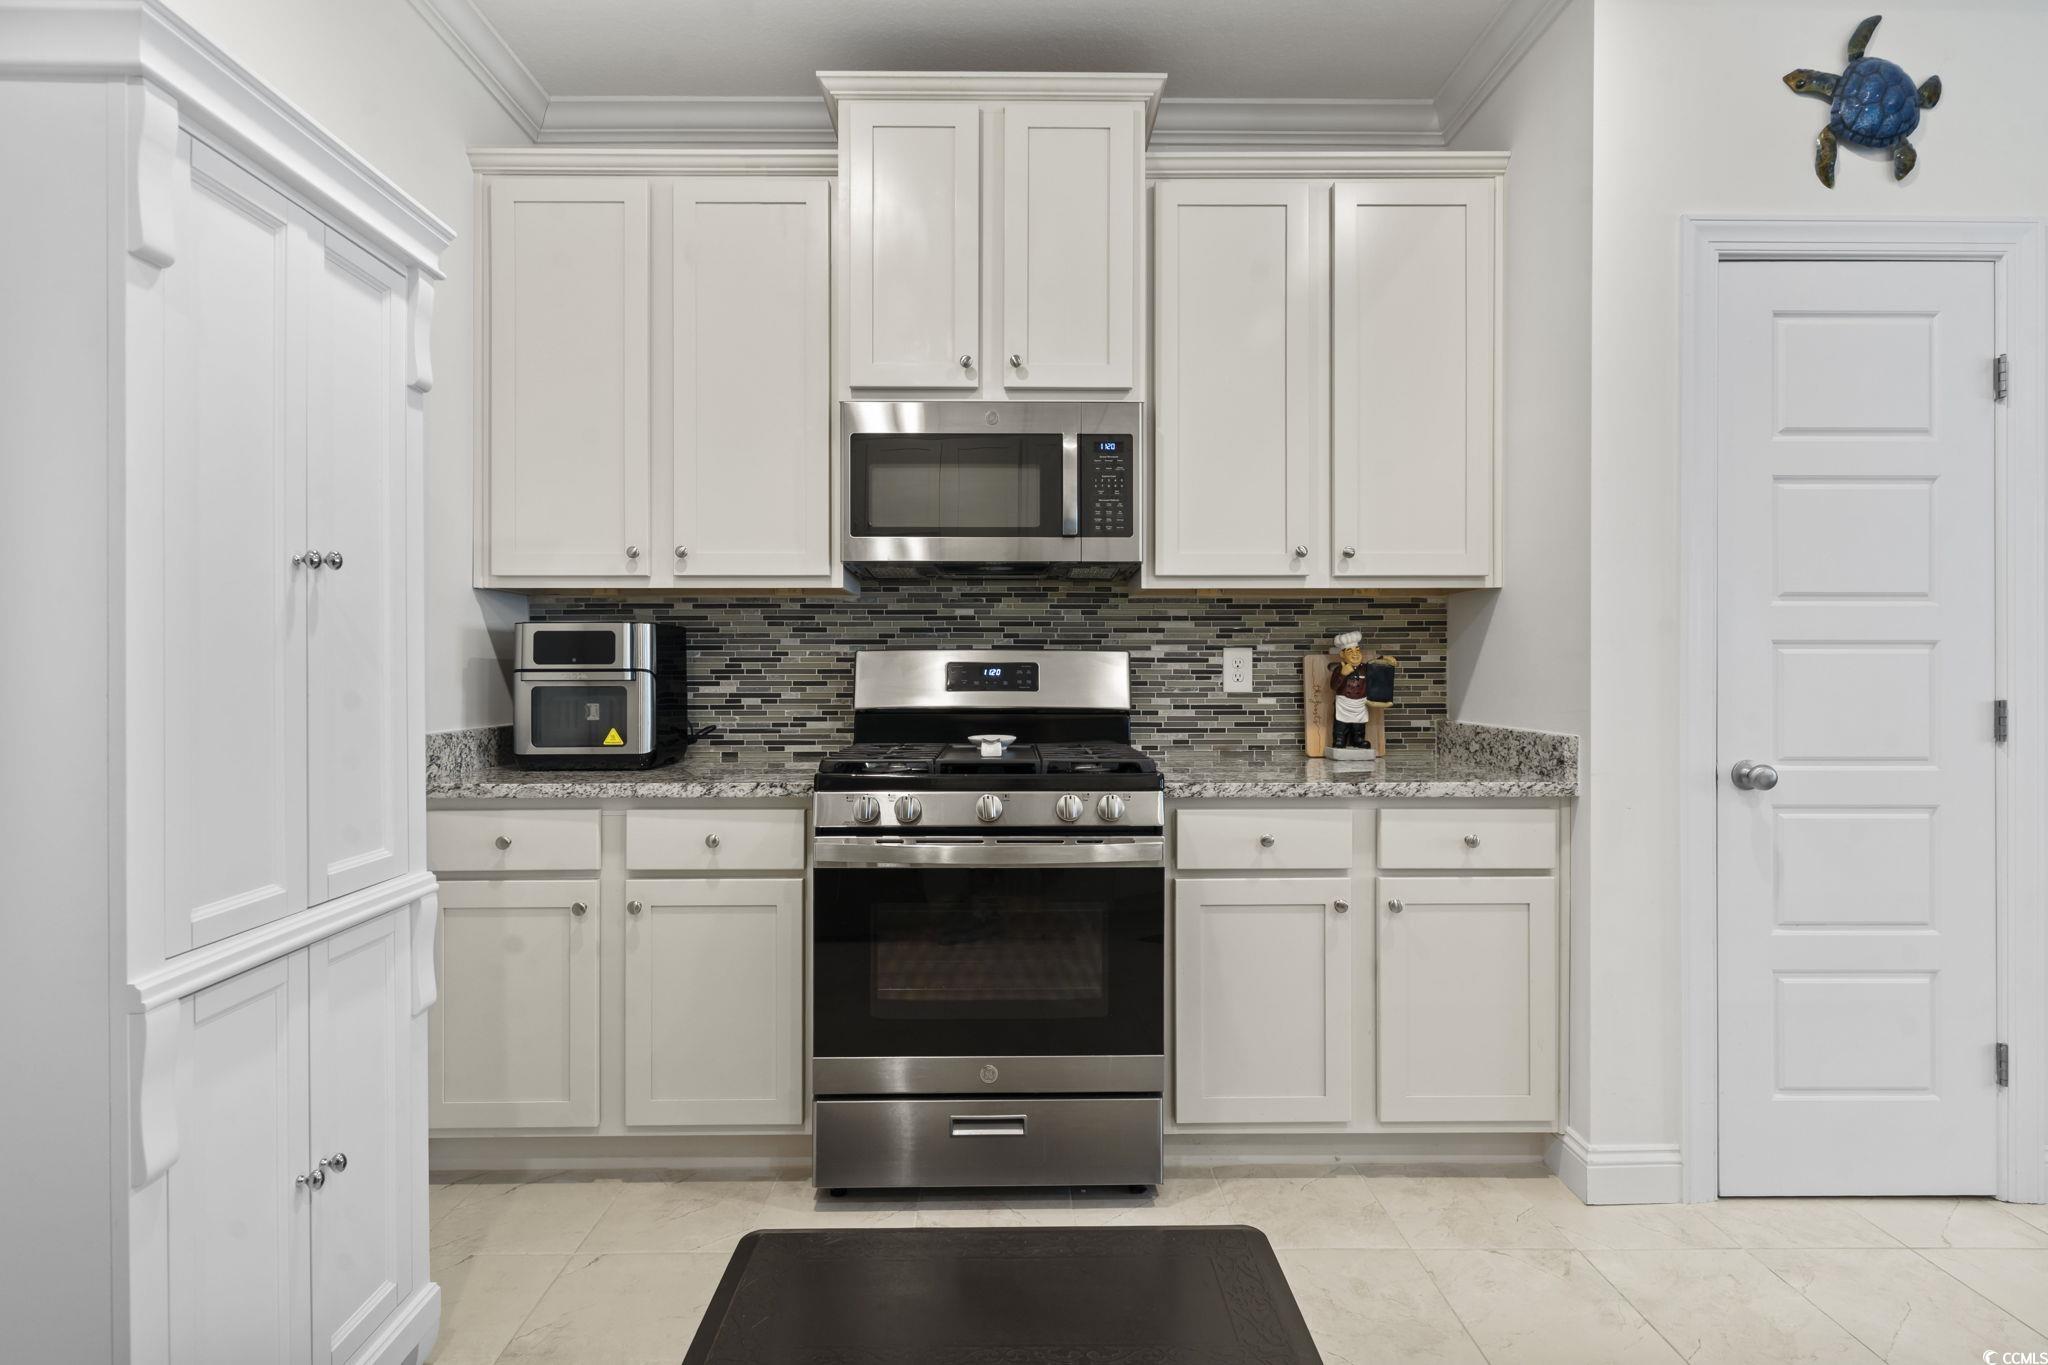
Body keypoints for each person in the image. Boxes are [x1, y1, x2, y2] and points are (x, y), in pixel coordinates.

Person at [1329, 630, 1371, 752]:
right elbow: (1333, 686)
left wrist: (1385, 660)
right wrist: (1342, 674)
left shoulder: (1366, 668)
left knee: (1359, 724)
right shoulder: (1339, 669)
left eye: (1357, 650)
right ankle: (1339, 739)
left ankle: (1358, 739)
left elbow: (1376, 673)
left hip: (1360, 703)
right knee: (1341, 724)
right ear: (1342, 654)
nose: (1355, 654)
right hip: (1343, 702)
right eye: (1350, 651)